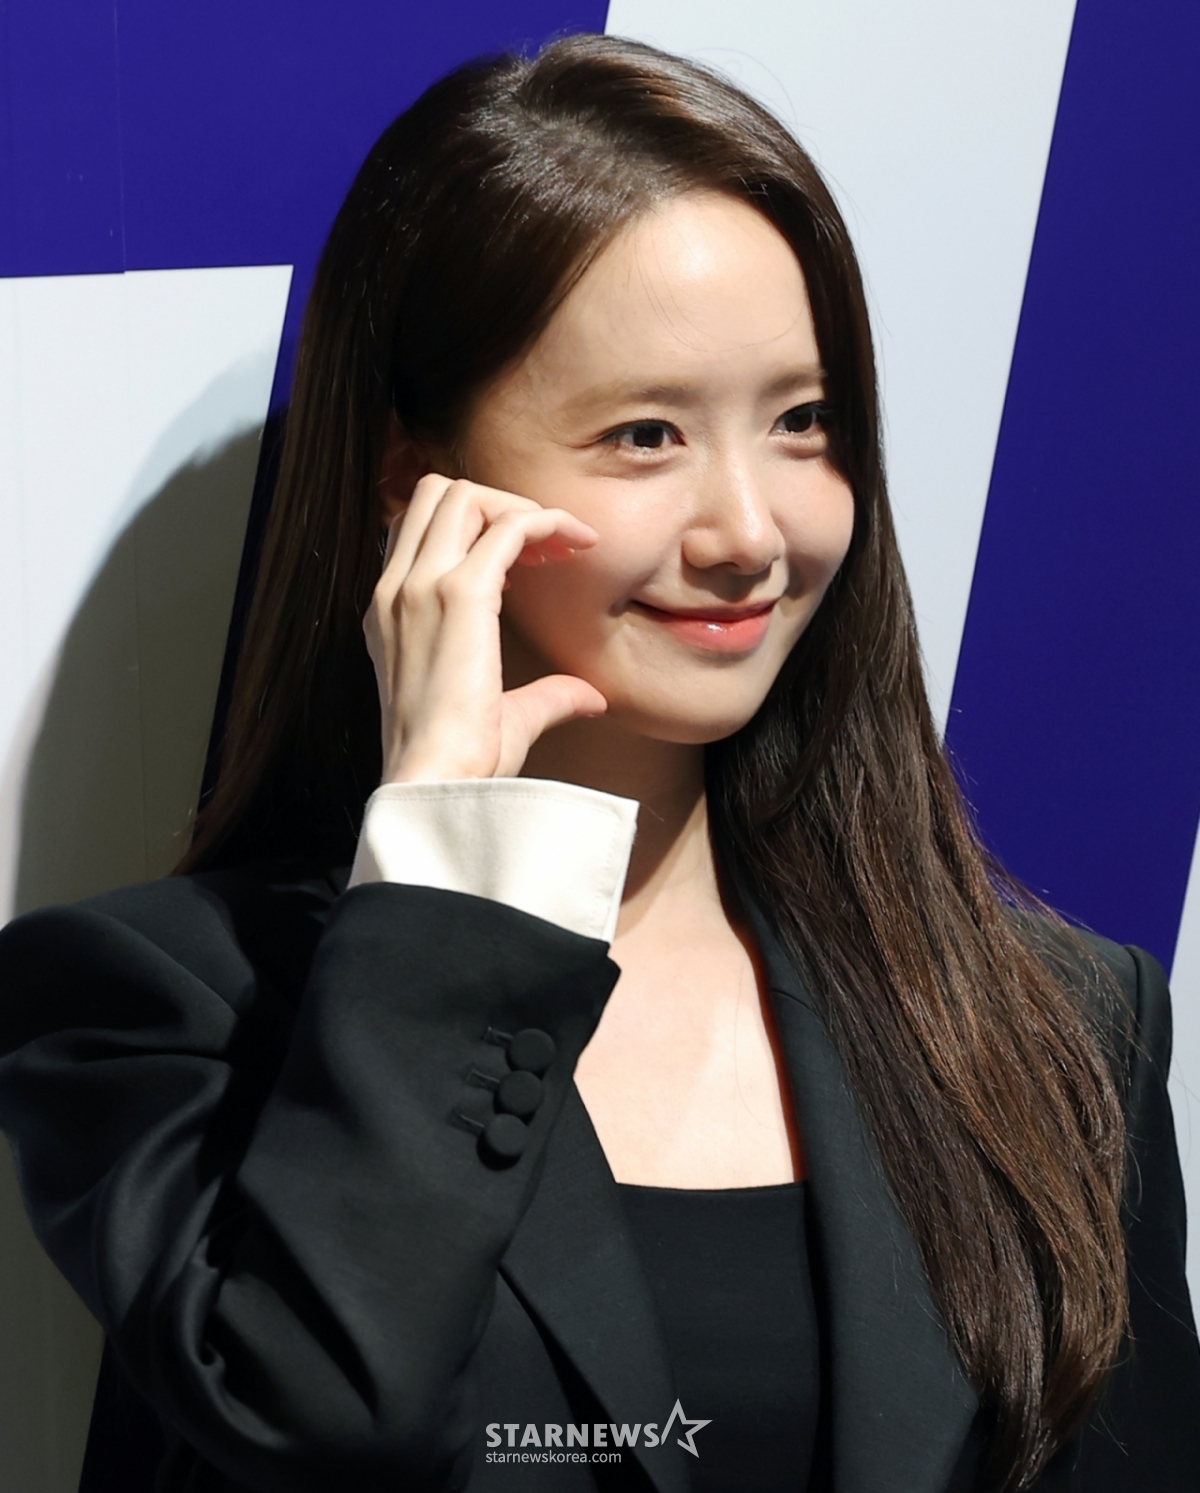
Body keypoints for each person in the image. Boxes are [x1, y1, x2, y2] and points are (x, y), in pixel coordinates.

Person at [0, 32, 1196, 1493]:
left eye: (804, 421)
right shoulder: (166, 1011)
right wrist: (448, 857)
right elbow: (324, 1420)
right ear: (416, 482)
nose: (749, 531)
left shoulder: (1057, 1026)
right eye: (645, 435)